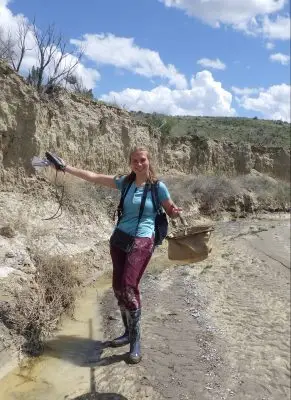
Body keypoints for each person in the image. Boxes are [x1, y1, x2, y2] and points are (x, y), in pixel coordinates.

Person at [58, 147, 182, 364]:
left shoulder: (157, 187)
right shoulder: (125, 182)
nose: (138, 163)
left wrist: (175, 211)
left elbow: (169, 209)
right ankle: (127, 333)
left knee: (129, 286)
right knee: (117, 288)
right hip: (119, 239)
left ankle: (135, 342)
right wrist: (65, 167)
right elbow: (93, 177)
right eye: (134, 160)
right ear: (130, 163)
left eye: (142, 160)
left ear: (149, 161)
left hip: (143, 240)